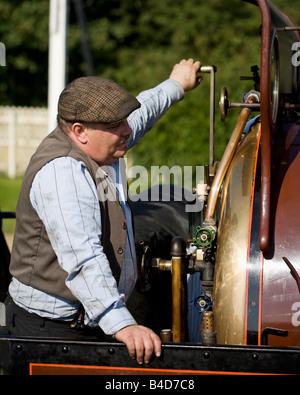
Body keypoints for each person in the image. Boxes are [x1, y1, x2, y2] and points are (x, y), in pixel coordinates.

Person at [6, 59, 202, 365]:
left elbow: (143, 112)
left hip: (89, 319)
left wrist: (176, 85)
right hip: (52, 332)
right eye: (115, 126)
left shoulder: (104, 142)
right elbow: (83, 256)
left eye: (123, 121)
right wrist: (121, 323)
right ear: (79, 131)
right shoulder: (62, 172)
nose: (126, 129)